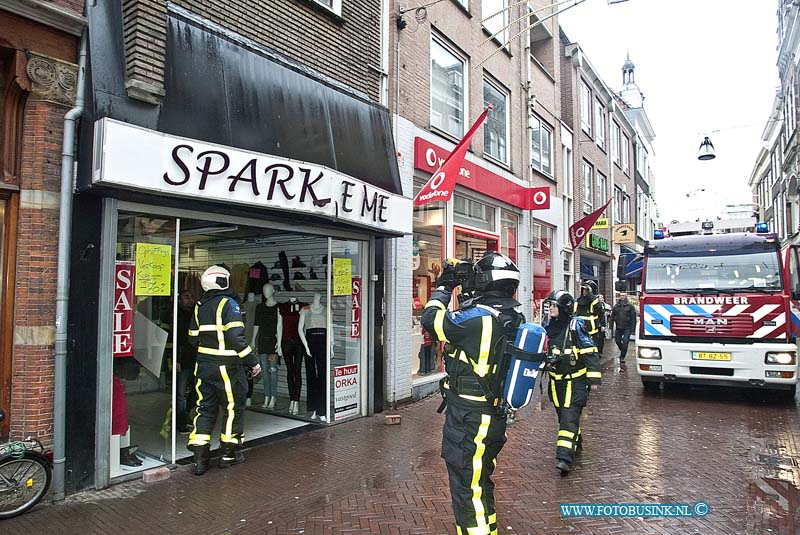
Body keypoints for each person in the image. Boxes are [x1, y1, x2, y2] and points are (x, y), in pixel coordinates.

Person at [421, 252, 525, 535]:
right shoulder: (512, 315)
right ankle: (488, 528)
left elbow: (431, 319)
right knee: (480, 479)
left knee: (467, 485)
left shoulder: (476, 319)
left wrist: (445, 285)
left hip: (469, 417)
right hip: (492, 413)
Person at [187, 265, 261, 476]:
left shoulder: (200, 306)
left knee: (204, 408)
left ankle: (200, 459)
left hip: (203, 367)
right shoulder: (229, 305)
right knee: (232, 409)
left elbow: (192, 337)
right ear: (223, 281)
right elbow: (236, 339)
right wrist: (253, 361)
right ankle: (229, 454)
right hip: (227, 368)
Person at [544, 290, 601, 476]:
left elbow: (590, 351)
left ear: (563, 307)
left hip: (574, 382)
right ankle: (577, 441)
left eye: (553, 305)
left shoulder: (576, 326)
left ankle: (564, 459)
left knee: (568, 420)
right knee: (564, 418)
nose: (550, 308)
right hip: (556, 383)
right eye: (550, 305)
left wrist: (593, 379)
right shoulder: (549, 325)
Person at [175, 290, 197, 433]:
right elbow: (174, 339)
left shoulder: (196, 315)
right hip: (182, 359)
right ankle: (181, 421)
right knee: (180, 394)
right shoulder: (176, 316)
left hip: (196, 359)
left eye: (191, 297)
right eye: (186, 297)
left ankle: (185, 414)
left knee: (196, 391)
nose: (189, 300)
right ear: (180, 300)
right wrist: (175, 359)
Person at [573, 280, 606, 353]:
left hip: (593, 332)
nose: (584, 292)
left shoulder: (594, 302)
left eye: (586, 290)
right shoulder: (577, 301)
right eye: (583, 290)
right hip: (580, 330)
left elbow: (600, 312)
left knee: (593, 349)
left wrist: (603, 325)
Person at [611, 293, 638, 367]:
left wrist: (633, 330)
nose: (622, 297)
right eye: (621, 295)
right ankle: (623, 349)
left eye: (623, 295)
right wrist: (610, 327)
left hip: (627, 327)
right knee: (617, 341)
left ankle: (622, 356)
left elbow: (633, 318)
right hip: (619, 327)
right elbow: (612, 317)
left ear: (626, 296)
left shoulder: (630, 306)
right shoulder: (616, 306)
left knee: (625, 341)